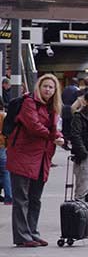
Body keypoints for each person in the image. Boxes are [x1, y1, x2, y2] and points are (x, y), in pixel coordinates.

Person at [7, 74, 65, 247]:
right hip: (23, 155)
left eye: (51, 87)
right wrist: (54, 137)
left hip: (41, 158)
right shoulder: (29, 103)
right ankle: (22, 236)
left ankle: (32, 232)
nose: (47, 89)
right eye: (45, 86)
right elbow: (34, 127)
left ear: (55, 91)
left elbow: (55, 128)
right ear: (38, 87)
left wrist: (59, 136)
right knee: (21, 198)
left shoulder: (53, 108)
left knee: (35, 198)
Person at [61, 77, 80, 150]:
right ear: (77, 83)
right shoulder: (77, 90)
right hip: (72, 110)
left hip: (64, 110)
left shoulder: (65, 89)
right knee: (72, 128)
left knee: (65, 127)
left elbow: (62, 99)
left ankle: (64, 143)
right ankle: (73, 143)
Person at [0, 100, 11, 205]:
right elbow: (8, 131)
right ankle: (9, 196)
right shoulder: (4, 116)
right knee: (6, 172)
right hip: (2, 146)